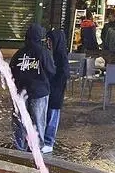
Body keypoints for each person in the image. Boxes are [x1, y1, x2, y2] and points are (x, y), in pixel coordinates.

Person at [10, 23, 55, 151]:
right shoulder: (44, 52)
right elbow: (51, 71)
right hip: (39, 92)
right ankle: (36, 147)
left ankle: (19, 146)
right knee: (38, 121)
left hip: (20, 92)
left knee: (19, 120)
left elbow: (11, 71)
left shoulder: (19, 53)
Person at [43, 27, 70, 153]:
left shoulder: (61, 58)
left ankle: (49, 141)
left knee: (52, 117)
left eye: (50, 40)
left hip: (55, 93)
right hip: (47, 91)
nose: (48, 43)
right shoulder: (48, 54)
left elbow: (63, 75)